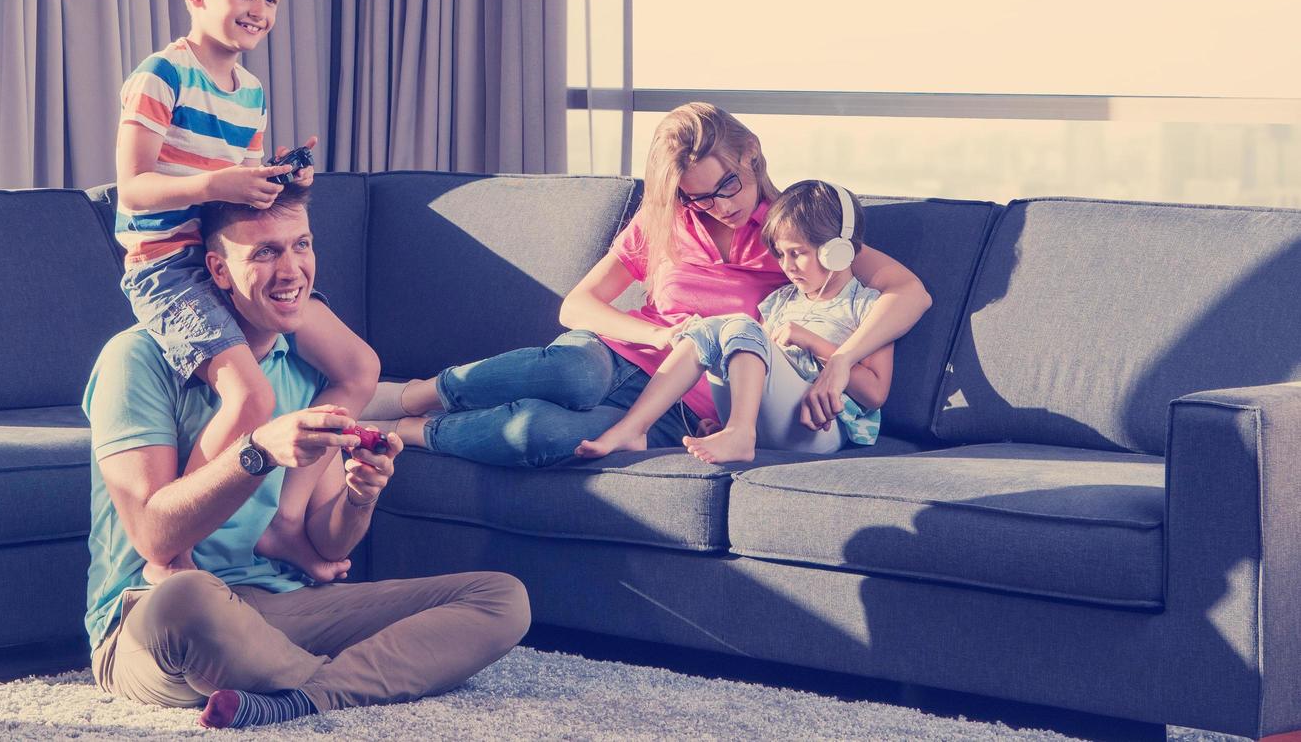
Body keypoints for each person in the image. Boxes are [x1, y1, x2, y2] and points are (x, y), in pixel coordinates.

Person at [84, 186, 530, 729]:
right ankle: (351, 682)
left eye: (302, 245)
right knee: (188, 598)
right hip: (150, 620)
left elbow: (325, 543)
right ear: (218, 271)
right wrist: (256, 452)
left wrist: (360, 499)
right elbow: (154, 537)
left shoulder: (306, 368)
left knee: (501, 600)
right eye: (266, 252)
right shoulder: (135, 358)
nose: (293, 269)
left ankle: (297, 697)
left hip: (274, 607)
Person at [373, 103, 931, 467]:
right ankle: (418, 391)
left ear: (752, 156)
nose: (720, 206)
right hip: (620, 356)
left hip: (677, 408)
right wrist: (657, 335)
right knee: (573, 369)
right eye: (698, 196)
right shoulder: (663, 222)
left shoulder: (795, 237)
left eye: (728, 185)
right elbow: (577, 306)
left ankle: (412, 428)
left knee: (540, 434)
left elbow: (908, 292)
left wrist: (841, 359)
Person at [113, 0, 380, 583]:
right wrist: (216, 183)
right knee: (253, 400)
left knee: (358, 368)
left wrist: (279, 179)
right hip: (167, 268)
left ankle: (283, 526)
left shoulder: (251, 90)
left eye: (271, 0)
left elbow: (238, 201)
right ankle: (171, 548)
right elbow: (133, 187)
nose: (258, 12)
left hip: (224, 256)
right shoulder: (160, 75)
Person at [574, 179, 893, 463]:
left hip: (822, 428)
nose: (787, 266)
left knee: (738, 324)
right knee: (710, 328)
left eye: (797, 253)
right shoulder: (779, 303)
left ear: (836, 252)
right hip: (774, 425)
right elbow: (752, 370)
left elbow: (875, 393)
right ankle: (637, 427)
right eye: (781, 255)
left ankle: (741, 434)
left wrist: (811, 341)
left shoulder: (867, 306)